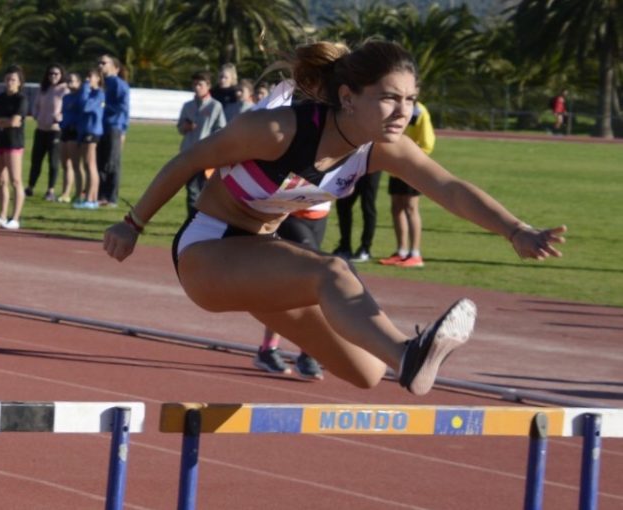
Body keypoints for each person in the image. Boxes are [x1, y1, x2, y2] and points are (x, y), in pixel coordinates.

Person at [103, 40, 566, 396]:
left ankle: (401, 360)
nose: (404, 111)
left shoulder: (382, 148)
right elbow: (187, 161)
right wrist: (133, 223)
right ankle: (410, 352)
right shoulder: (278, 130)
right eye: (390, 98)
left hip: (262, 255)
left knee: (366, 371)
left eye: (411, 99)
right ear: (348, 97)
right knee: (333, 270)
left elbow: (449, 188)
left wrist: (515, 229)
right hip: (207, 252)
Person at [255, 203, 330, 381]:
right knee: (312, 276)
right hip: (293, 214)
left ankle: (268, 350)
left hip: (320, 214)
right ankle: (307, 353)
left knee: (286, 285)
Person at [379, 101, 435, 268]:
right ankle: (401, 251)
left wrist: (411, 158)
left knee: (411, 207)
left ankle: (415, 253)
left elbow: (427, 143)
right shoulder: (394, 108)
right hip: (395, 167)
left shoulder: (419, 111)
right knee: (396, 207)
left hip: (412, 166)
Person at [0, 65, 29, 230]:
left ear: (19, 82)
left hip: (14, 143)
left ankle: (15, 218)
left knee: (16, 180)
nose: (10, 82)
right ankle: (2, 215)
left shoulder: (21, 99)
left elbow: (15, 122)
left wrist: (1, 120)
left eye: (13, 80)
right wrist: (4, 121)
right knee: (1, 181)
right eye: (8, 79)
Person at [176, 70, 226, 216]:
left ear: (208, 86)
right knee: (191, 189)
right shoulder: (188, 106)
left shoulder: (215, 106)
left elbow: (221, 129)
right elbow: (180, 127)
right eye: (195, 84)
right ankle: (192, 218)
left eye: (200, 84)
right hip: (188, 152)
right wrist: (185, 127)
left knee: (204, 189)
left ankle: (201, 217)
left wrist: (211, 140)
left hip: (206, 155)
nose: (197, 87)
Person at [26, 64, 68, 201]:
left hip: (55, 131)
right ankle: (30, 187)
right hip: (41, 129)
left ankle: (50, 190)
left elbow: (68, 108)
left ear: (61, 75)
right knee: (36, 160)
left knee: (53, 162)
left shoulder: (64, 90)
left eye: (56, 74)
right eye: (51, 73)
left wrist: (60, 117)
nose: (53, 76)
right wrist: (36, 115)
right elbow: (35, 105)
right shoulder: (43, 88)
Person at [96, 55, 129, 207]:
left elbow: (123, 108)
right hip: (99, 127)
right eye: (99, 63)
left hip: (113, 126)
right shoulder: (100, 83)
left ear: (114, 67)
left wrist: (123, 130)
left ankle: (111, 197)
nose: (100, 65)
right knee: (100, 161)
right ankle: (100, 195)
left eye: (103, 63)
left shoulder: (118, 84)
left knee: (112, 162)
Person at [72, 68, 105, 210]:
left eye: (90, 76)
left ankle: (91, 198)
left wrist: (84, 88)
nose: (88, 79)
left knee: (90, 164)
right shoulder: (90, 93)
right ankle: (88, 197)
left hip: (92, 131)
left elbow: (86, 106)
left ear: (98, 78)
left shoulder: (99, 94)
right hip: (84, 130)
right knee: (86, 164)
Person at [332, 171, 381, 263]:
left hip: (372, 168)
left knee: (367, 206)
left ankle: (365, 248)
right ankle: (345, 246)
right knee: (343, 204)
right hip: (355, 168)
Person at [57, 72, 82, 204]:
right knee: (65, 164)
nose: (70, 83)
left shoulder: (81, 97)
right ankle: (65, 192)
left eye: (73, 81)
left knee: (76, 165)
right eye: (68, 81)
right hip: (65, 130)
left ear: (79, 82)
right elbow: (64, 113)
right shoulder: (66, 97)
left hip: (75, 132)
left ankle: (78, 193)